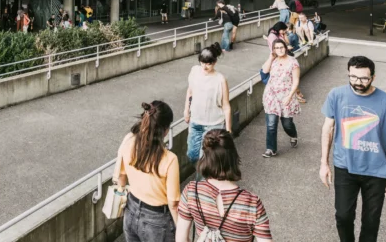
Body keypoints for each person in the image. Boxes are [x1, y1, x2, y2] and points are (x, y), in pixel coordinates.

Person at [320, 56, 386, 242]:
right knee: (343, 216)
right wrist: (324, 164)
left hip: (377, 170)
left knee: (371, 222)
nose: (358, 82)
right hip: (345, 166)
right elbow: (328, 129)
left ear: (373, 77)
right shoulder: (336, 95)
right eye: (353, 77)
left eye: (364, 78)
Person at [176, 129, 272, 242]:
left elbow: (181, 239)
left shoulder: (191, 191)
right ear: (233, 157)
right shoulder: (252, 203)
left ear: (205, 158)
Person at [115, 101, 179, 242]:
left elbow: (121, 176)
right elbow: (173, 205)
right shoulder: (170, 159)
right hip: (157, 221)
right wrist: (182, 232)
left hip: (130, 210)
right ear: (165, 130)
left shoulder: (129, 140)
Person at [184, 43, 232, 164]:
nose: (204, 66)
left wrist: (228, 130)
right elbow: (190, 91)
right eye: (202, 62)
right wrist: (186, 110)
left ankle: (201, 176)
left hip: (214, 124)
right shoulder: (194, 71)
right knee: (192, 155)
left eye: (208, 63)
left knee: (205, 159)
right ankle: (202, 174)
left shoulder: (220, 79)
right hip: (195, 121)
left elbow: (226, 106)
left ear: (214, 62)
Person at [261, 39, 300, 157]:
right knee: (271, 124)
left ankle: (293, 135)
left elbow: (296, 81)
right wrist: (270, 57)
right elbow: (264, 71)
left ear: (285, 48)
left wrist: (290, 96)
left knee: (287, 124)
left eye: (281, 47)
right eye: (277, 48)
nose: (279, 50)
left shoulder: (293, 62)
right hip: (271, 96)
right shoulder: (273, 60)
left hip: (286, 96)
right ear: (273, 50)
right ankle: (271, 149)